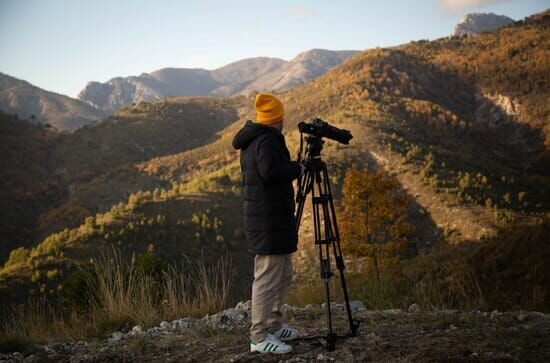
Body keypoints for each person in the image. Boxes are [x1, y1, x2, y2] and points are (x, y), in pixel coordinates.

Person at [232, 93, 306, 354]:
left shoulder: (256, 139)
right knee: (266, 278)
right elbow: (270, 171)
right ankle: (259, 336)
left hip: (272, 218)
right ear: (278, 119)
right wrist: (297, 169)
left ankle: (274, 325)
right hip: (267, 221)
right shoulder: (267, 140)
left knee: (282, 273)